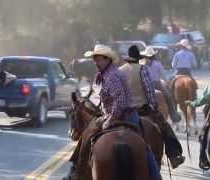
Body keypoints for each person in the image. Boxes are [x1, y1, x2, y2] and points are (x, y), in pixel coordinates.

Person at [67, 44, 161, 180]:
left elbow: (121, 101)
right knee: (145, 147)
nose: (96, 63)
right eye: (95, 60)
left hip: (124, 116)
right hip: (113, 115)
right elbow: (101, 97)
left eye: (98, 60)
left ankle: (77, 173)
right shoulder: (103, 75)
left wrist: (110, 119)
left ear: (107, 60)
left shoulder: (111, 76)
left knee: (86, 138)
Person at [119, 45, 184, 169]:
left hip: (124, 112)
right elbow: (149, 91)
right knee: (164, 126)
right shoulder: (142, 69)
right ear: (138, 58)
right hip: (141, 109)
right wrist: (154, 106)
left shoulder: (120, 71)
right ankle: (174, 155)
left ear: (127, 59)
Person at [140, 46, 182, 123]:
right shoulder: (157, 63)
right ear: (153, 55)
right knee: (168, 97)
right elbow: (163, 75)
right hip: (157, 84)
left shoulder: (142, 64)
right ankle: (173, 115)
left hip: (145, 85)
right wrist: (167, 83)